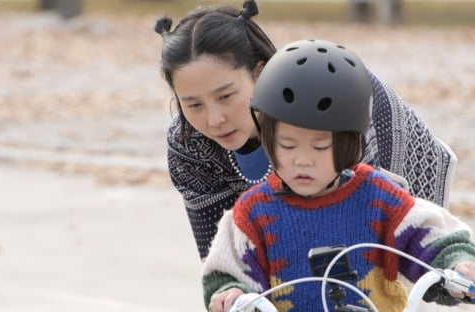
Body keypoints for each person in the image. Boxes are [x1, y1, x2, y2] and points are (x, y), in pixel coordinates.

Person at [202, 39, 475, 312]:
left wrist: (459, 267)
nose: (303, 159)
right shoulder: (252, 215)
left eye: (320, 146)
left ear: (350, 144)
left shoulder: (380, 199)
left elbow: (434, 239)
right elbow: (226, 275)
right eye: (288, 144)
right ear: (269, 140)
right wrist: (230, 299)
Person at [154, 0, 456, 261]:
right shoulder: (189, 144)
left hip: (391, 184)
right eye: (193, 105)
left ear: (259, 73)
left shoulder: (324, 98)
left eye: (226, 96)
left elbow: (364, 225)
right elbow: (218, 255)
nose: (214, 119)